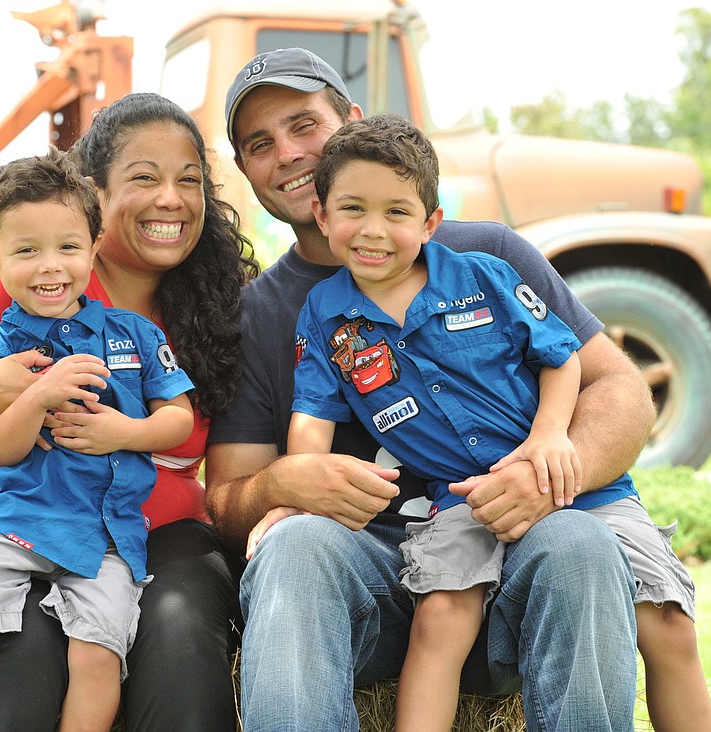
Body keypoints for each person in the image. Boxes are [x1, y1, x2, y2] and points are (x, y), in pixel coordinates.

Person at [204, 47, 656, 731]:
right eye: (260, 144)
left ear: (351, 121)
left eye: (305, 125)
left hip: (513, 559)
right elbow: (229, 496)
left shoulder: (487, 257)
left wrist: (551, 472)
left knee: (580, 545)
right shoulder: (259, 317)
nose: (289, 154)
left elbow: (620, 388)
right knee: (295, 550)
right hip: (373, 588)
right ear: (246, 172)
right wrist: (282, 484)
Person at [0, 92, 259, 731]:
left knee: (177, 622)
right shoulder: (37, 273)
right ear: (94, 194)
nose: (171, 199)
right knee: (24, 649)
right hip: (20, 519)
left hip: (153, 536)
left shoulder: (223, 307)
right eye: (144, 178)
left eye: (190, 180)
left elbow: (222, 476)